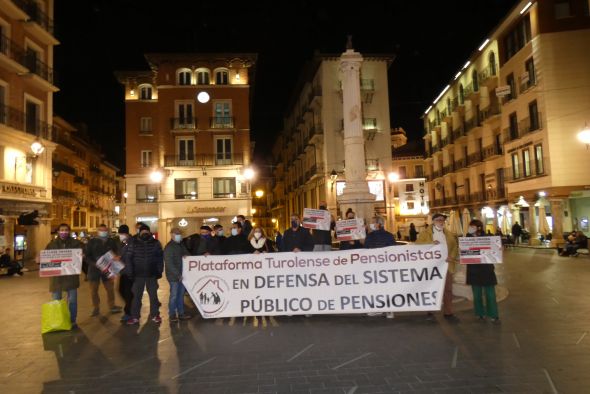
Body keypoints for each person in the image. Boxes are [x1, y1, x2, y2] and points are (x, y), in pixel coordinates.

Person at [416, 213, 459, 322]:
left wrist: (452, 256)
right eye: (439, 220)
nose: (441, 222)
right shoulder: (425, 233)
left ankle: (448, 312)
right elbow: (417, 245)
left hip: (446, 265)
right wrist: (430, 243)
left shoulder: (449, 234)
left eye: (442, 220)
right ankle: (430, 312)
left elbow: (454, 247)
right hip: (432, 266)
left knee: (448, 289)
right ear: (433, 221)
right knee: (431, 288)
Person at [44, 223, 84, 328]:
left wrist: (82, 255)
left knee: (72, 300)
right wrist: (40, 259)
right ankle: (58, 321)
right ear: (58, 231)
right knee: (56, 300)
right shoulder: (51, 244)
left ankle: (72, 320)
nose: (64, 232)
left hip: (71, 276)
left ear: (69, 231)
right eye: (62, 230)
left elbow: (82, 254)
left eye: (66, 230)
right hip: (56, 278)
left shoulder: (76, 243)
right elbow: (46, 257)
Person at [125, 224, 164, 325]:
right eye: (143, 232)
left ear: (149, 232)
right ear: (140, 233)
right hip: (138, 275)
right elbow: (128, 259)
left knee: (153, 296)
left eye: (146, 232)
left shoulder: (156, 243)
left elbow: (160, 258)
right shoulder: (134, 243)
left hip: (152, 274)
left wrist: (159, 271)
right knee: (137, 297)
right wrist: (130, 272)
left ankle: (155, 315)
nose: (145, 233)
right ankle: (135, 317)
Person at [466, 219, 500, 324]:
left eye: (472, 226)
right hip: (473, 270)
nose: (470, 228)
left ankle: (493, 314)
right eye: (470, 226)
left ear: (478, 228)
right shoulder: (466, 238)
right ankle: (479, 313)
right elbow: (465, 252)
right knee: (476, 294)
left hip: (486, 269)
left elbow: (495, 251)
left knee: (490, 293)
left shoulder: (488, 238)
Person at [85, 223, 122, 316]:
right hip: (94, 270)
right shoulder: (92, 242)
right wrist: (95, 264)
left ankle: (112, 306)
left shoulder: (111, 241)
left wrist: (117, 257)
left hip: (108, 269)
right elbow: (87, 256)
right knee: (94, 291)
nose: (103, 232)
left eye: (105, 230)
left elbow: (116, 252)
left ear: (107, 231)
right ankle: (96, 308)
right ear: (98, 231)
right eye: (101, 230)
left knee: (110, 289)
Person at [364, 216, 396, 319]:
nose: (371, 224)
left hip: (383, 266)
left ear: (379, 224)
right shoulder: (371, 236)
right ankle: (380, 308)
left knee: (384, 288)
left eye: (373, 222)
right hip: (375, 266)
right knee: (377, 288)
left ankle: (388, 309)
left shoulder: (387, 236)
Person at [164, 228, 192, 322]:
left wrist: (186, 255)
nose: (179, 235)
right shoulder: (169, 247)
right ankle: (172, 314)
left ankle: (181, 313)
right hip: (174, 277)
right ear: (171, 234)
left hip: (182, 275)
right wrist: (177, 275)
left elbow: (187, 254)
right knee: (174, 295)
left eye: (180, 233)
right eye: (176, 233)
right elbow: (169, 263)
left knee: (180, 295)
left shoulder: (180, 245)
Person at [116, 225, 134, 323]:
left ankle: (128, 313)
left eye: (122, 233)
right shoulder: (122, 243)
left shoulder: (131, 242)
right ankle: (131, 307)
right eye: (120, 234)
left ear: (126, 233)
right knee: (120, 290)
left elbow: (129, 256)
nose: (121, 235)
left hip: (129, 272)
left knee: (127, 293)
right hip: (123, 271)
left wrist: (120, 257)